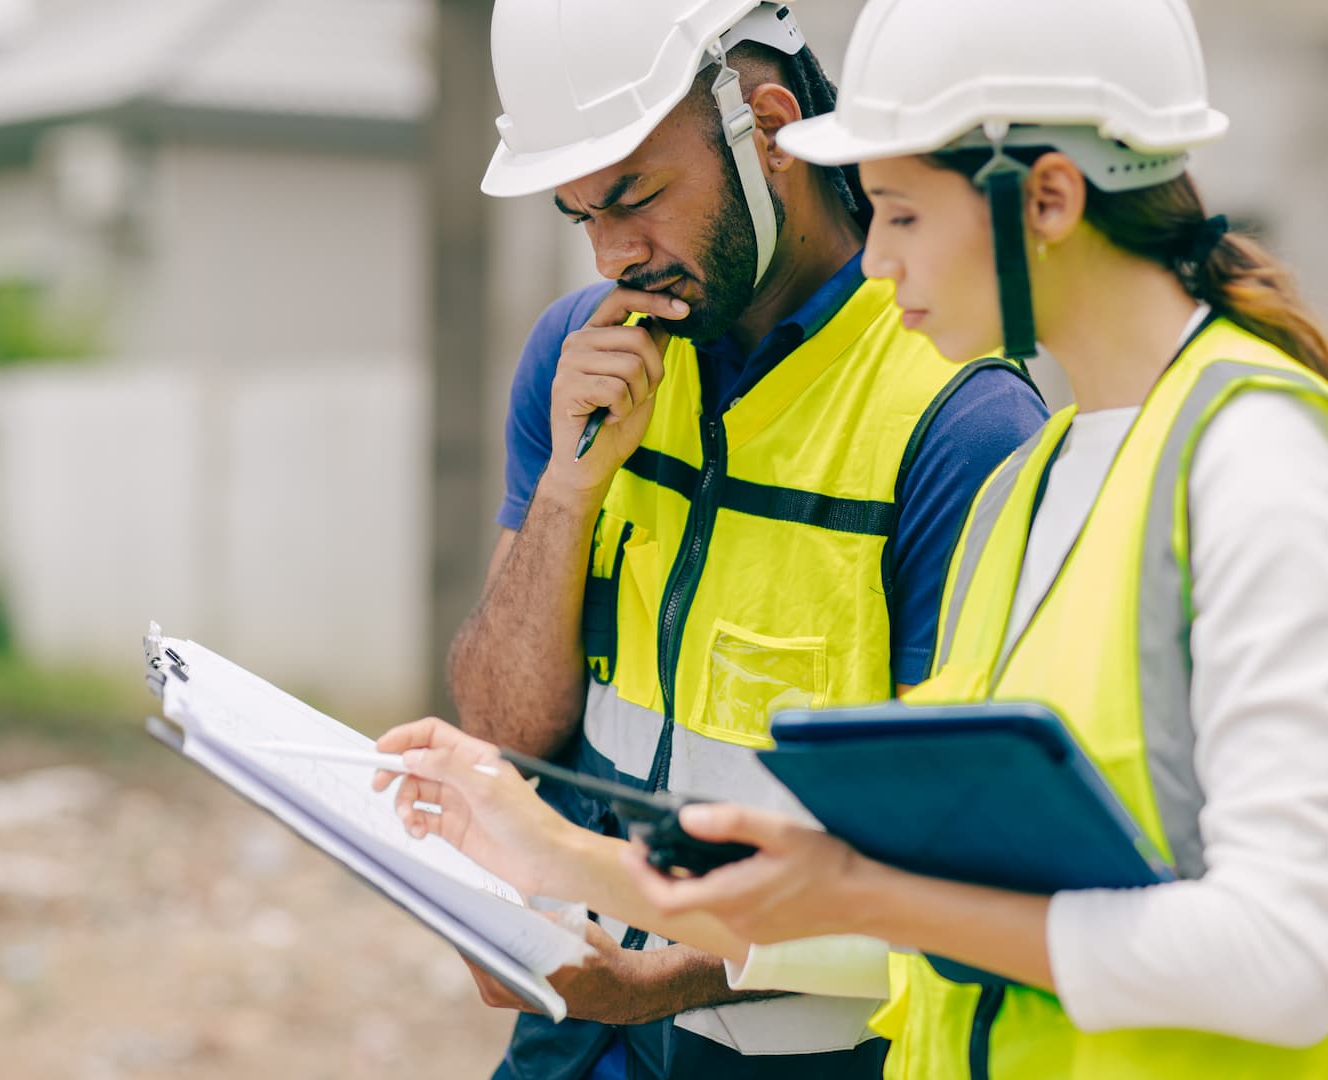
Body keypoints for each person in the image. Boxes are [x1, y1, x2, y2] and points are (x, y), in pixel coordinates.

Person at [389, 0, 1328, 1076]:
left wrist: (859, 895)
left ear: (1050, 199)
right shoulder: (1054, 476)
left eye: (900, 214)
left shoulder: (1243, 462)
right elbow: (939, 884)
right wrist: (562, 858)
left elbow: (1286, 953)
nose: (873, 263)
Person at [448, 1, 1047, 1077]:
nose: (614, 254)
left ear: (767, 126)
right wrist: (564, 498)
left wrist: (663, 975)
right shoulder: (577, 355)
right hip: (572, 1035)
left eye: (634, 197)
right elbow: (503, 727)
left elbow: (956, 871)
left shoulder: (955, 417)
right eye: (577, 213)